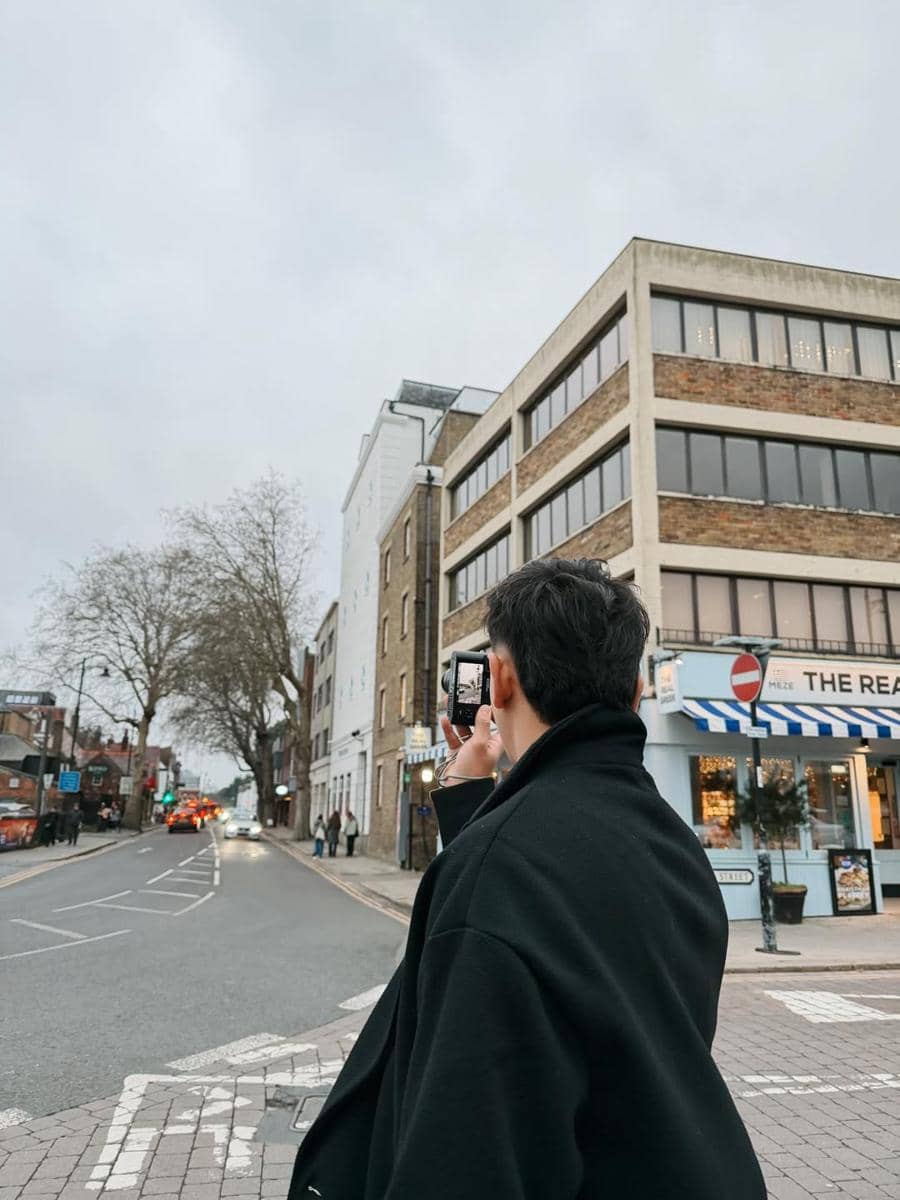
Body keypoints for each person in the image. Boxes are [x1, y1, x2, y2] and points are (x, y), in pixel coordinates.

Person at [288, 558, 766, 1199]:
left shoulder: (497, 872)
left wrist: (478, 826)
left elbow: (463, 1157)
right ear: (635, 694)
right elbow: (566, 911)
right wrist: (468, 795)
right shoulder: (675, 846)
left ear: (501, 679)